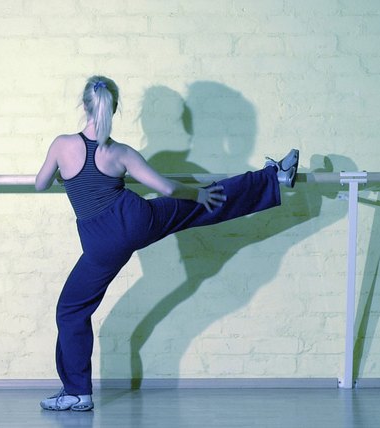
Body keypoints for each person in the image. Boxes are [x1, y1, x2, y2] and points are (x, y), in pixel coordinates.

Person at [34, 76, 298, 411]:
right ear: (114, 108)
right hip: (137, 218)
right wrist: (199, 193)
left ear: (84, 105)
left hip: (102, 241)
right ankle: (273, 177)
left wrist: (62, 174)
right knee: (197, 208)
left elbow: (41, 183)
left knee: (71, 310)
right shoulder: (121, 153)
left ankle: (76, 391)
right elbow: (169, 189)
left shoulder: (62, 145)